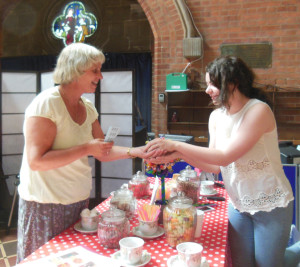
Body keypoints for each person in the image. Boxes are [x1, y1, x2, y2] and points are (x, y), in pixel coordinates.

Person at [146, 56, 294, 267]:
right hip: (238, 203)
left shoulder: (258, 110)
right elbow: (216, 166)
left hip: (270, 202)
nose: (208, 90)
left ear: (233, 83)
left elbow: (226, 155)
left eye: (212, 84)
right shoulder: (216, 117)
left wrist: (176, 146)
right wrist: (177, 156)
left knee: (268, 263)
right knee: (242, 263)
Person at [16, 43, 152, 263]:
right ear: (75, 70)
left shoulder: (88, 107)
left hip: (78, 203)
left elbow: (102, 152)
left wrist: (138, 152)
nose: (101, 76)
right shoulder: (46, 104)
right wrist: (86, 148)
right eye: (95, 70)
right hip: (45, 206)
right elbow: (36, 161)